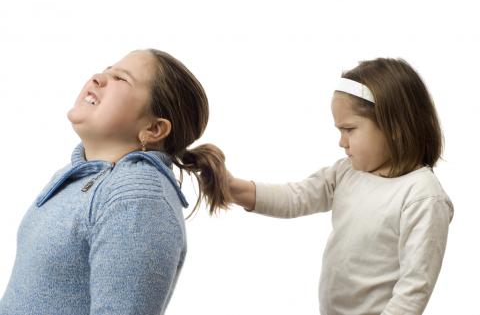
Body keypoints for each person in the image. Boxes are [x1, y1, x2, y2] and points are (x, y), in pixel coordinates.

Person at [0, 49, 231, 315]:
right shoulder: (79, 175)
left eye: (121, 78)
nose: (98, 78)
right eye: (105, 70)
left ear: (154, 129)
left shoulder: (138, 199)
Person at [229, 58, 454, 315]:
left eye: (349, 129)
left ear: (396, 127)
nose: (341, 141)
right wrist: (235, 189)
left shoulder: (422, 197)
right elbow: (296, 197)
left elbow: (413, 291)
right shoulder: (348, 172)